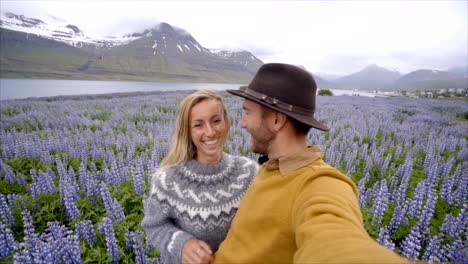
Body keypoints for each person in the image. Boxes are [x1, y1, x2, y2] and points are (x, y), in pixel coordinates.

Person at [213, 63, 408, 263]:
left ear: (277, 121)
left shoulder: (320, 183)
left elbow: (337, 243)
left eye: (247, 112)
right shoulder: (272, 165)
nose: (242, 123)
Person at [142, 89, 258, 264]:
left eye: (216, 120)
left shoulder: (249, 172)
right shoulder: (168, 180)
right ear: (187, 131)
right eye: (198, 125)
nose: (210, 132)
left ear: (226, 122)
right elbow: (154, 226)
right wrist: (182, 244)